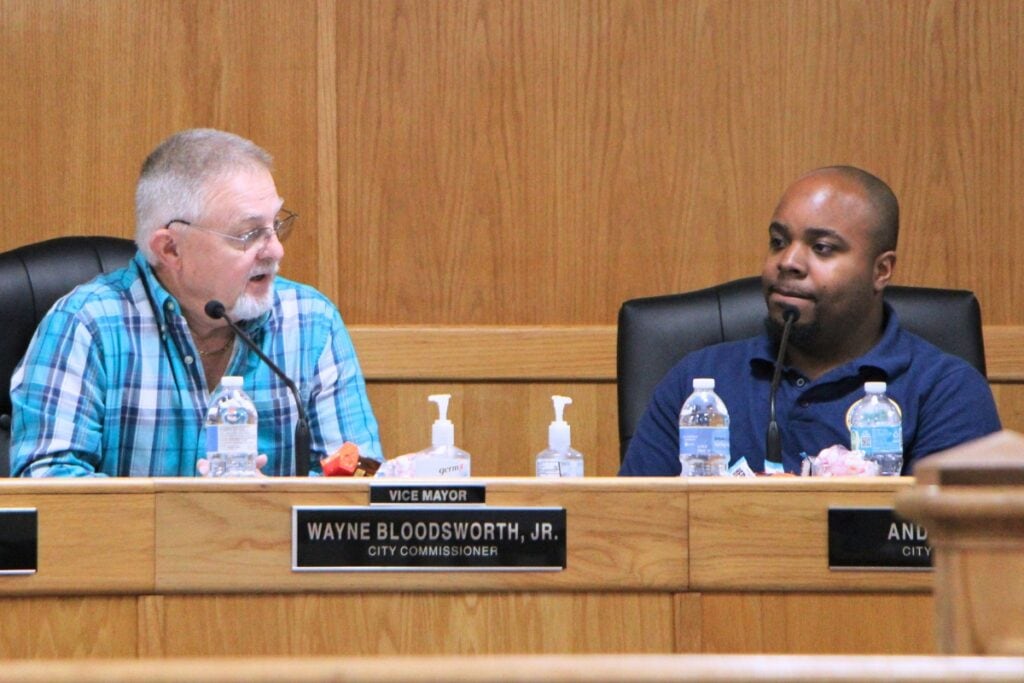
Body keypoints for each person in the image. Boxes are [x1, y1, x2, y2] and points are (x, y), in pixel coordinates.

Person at [10, 128, 383, 476]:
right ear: (171, 248)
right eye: (249, 234)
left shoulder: (310, 322)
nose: (276, 250)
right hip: (131, 548)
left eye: (276, 226)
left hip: (269, 547)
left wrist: (270, 506)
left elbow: (360, 476)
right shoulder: (87, 325)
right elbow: (48, 484)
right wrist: (188, 515)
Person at [619, 165, 1001, 476]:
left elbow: (949, 553)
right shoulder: (700, 381)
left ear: (881, 270)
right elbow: (634, 530)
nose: (788, 262)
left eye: (821, 248)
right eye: (778, 241)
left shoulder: (945, 391)